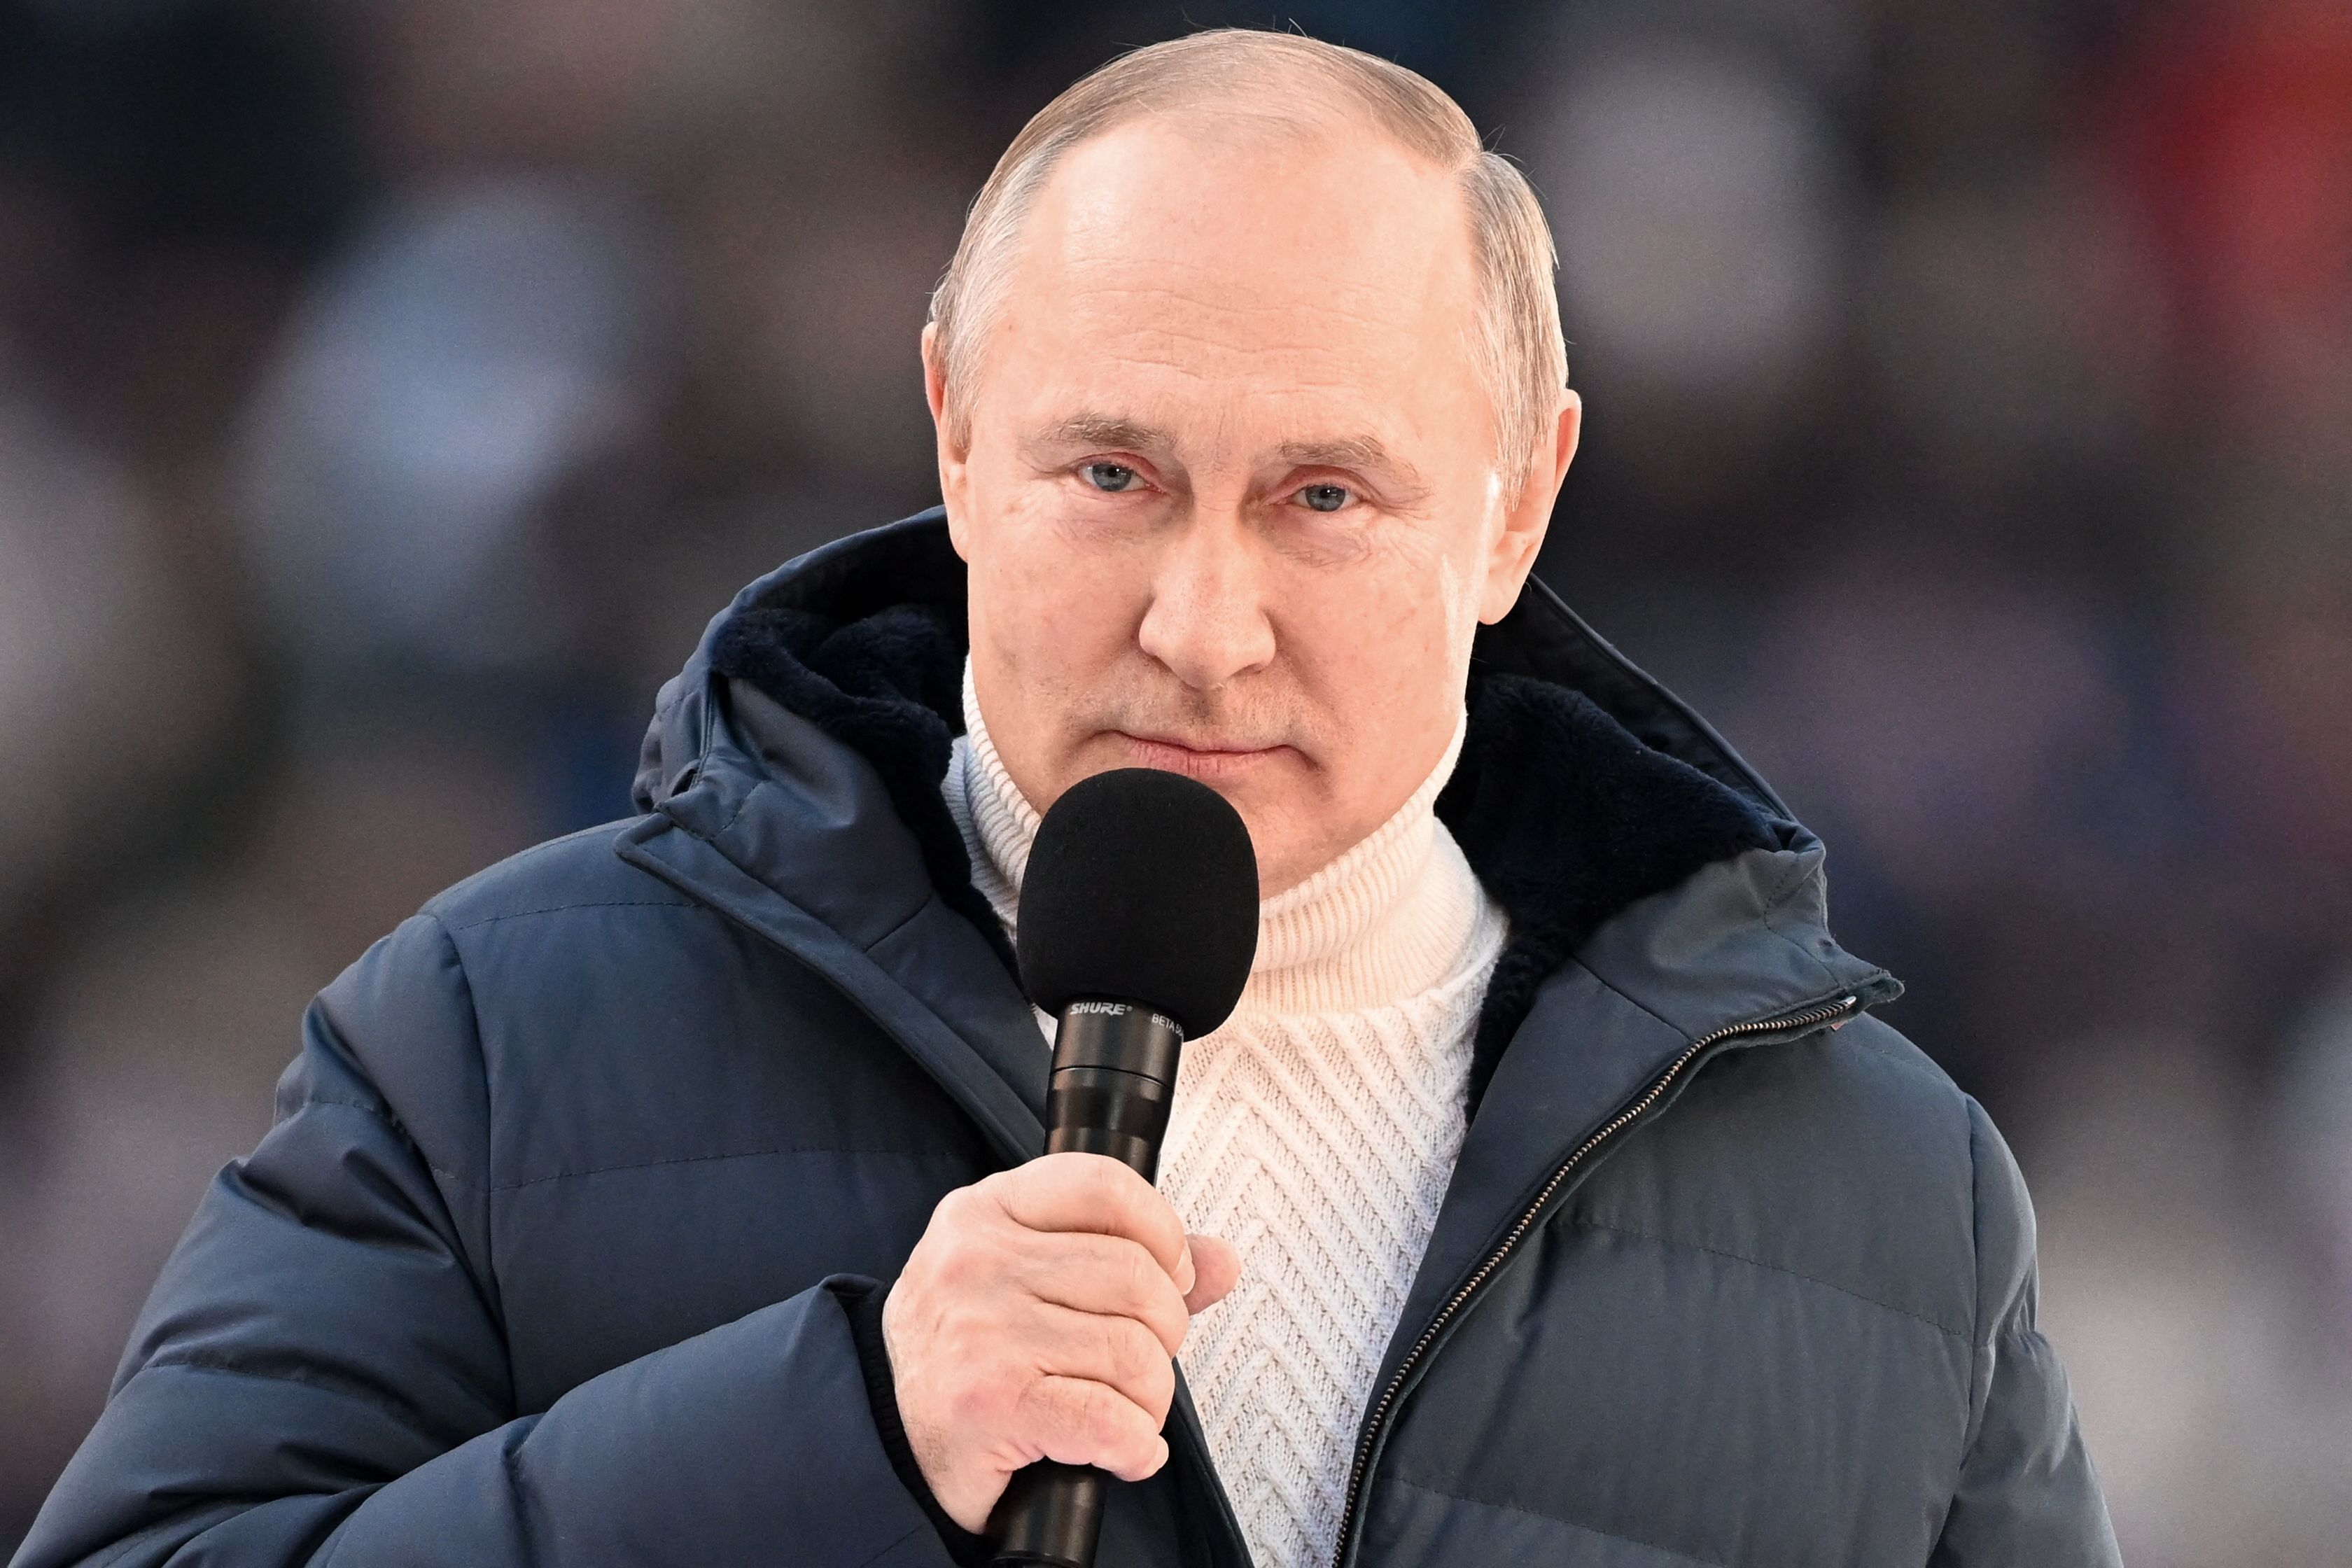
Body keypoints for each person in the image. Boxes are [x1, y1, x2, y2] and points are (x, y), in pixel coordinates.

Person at [15, 29, 2119, 1568]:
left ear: (1517, 507)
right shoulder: (493, 1037)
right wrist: (834, 1440)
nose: (1206, 624)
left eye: (1325, 497)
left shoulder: (1888, 1204)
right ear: (951, 432)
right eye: (1111, 474)